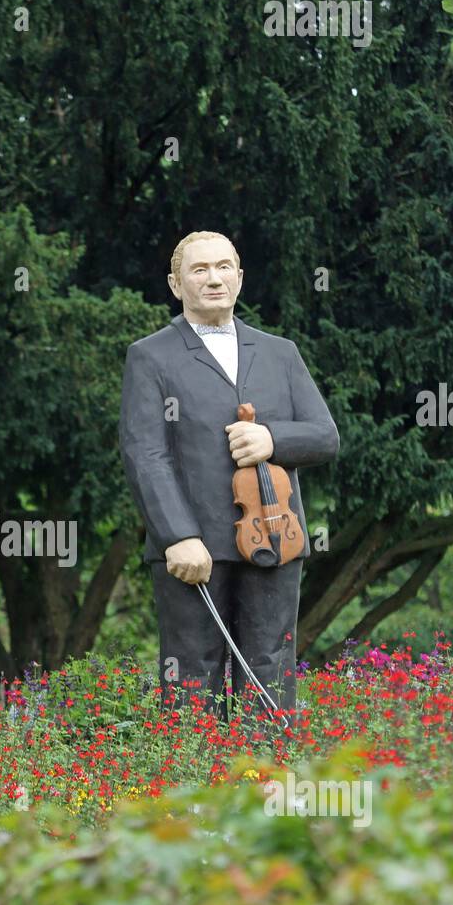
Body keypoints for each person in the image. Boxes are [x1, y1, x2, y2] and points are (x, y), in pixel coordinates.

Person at [119, 229, 339, 723]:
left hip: (274, 537)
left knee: (271, 667)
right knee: (193, 675)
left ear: (239, 278)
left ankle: (266, 790)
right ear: (176, 284)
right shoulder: (150, 355)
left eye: (224, 268)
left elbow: (325, 436)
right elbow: (144, 452)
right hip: (195, 547)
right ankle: (197, 795)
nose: (213, 278)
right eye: (199, 270)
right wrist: (178, 536)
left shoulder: (281, 352)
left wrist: (272, 440)